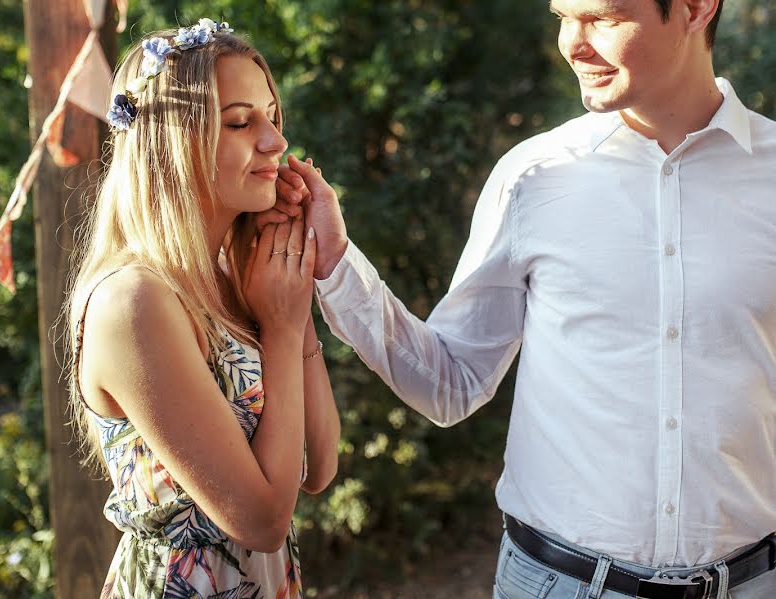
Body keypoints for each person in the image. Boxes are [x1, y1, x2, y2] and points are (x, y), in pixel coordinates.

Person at [268, 1, 776, 597]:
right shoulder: (534, 176)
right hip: (557, 585)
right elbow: (450, 383)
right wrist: (336, 264)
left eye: (602, 18)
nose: (572, 44)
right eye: (564, 14)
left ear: (694, 9)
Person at [63, 19, 339, 598]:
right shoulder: (134, 302)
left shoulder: (227, 276)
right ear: (171, 143)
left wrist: (292, 291)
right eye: (241, 122)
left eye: (272, 117)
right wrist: (283, 332)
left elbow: (321, 468)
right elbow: (263, 522)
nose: (275, 142)